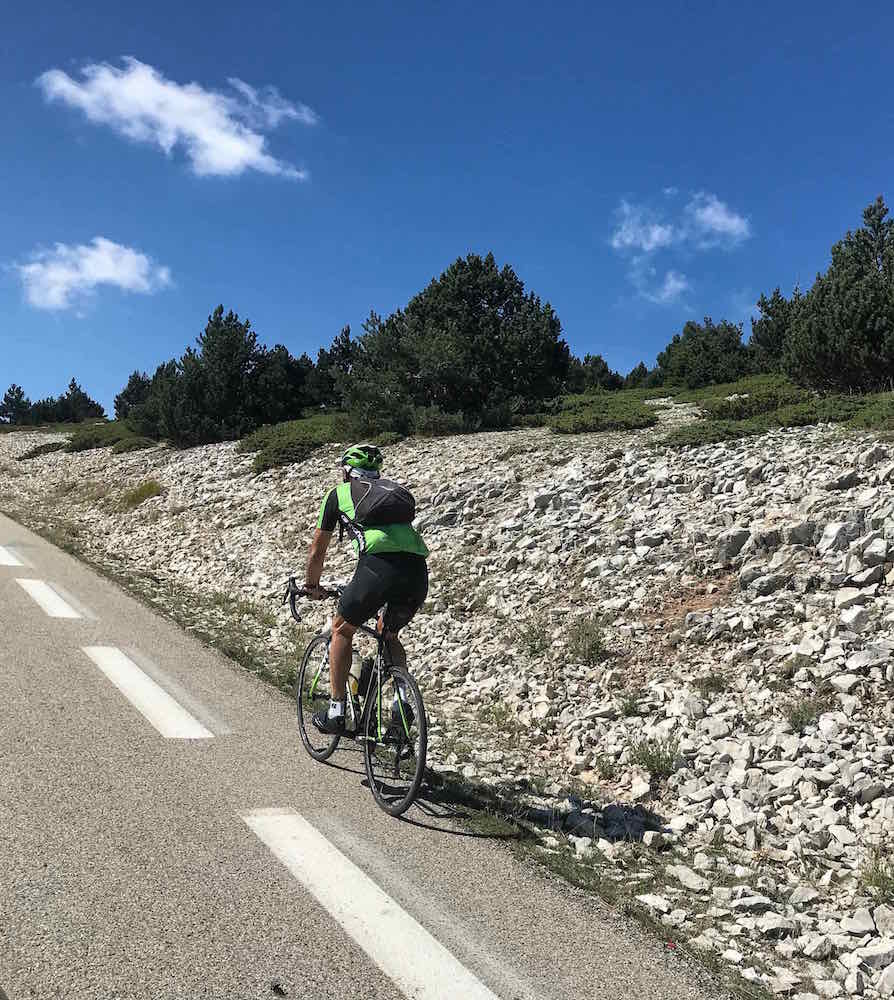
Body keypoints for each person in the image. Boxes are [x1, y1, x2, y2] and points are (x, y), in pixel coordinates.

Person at [304, 443, 429, 735]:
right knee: (388, 633)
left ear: (346, 471)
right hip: (417, 572)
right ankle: (400, 698)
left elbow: (316, 552)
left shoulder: (338, 494)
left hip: (377, 569)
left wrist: (312, 585)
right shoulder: (392, 492)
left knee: (341, 629)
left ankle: (336, 711)